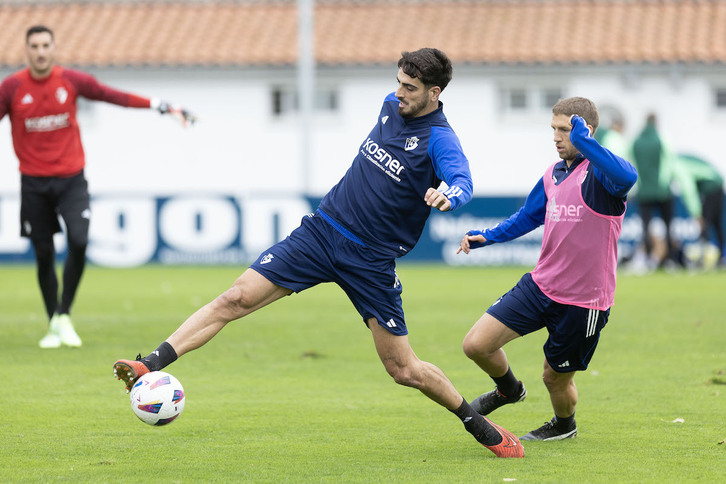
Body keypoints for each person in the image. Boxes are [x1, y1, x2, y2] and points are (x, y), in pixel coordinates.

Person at [113, 48, 524, 458]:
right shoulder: (389, 106)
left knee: (403, 369)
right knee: (236, 297)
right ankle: (150, 363)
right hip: (321, 232)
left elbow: (462, 179)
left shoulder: (440, 138)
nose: (398, 92)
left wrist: (448, 195)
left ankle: (478, 424)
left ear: (434, 93)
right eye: (398, 82)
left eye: (410, 88)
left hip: (370, 260)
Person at [0, 25, 196, 349]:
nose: (40, 51)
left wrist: (160, 105)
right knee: (44, 254)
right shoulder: (12, 88)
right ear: (27, 50)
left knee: (79, 240)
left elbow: (112, 96)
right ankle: (54, 323)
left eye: (45, 45)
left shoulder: (72, 81)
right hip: (33, 183)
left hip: (71, 180)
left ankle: (63, 315)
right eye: (34, 46)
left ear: (53, 48)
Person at [457, 97, 637, 441]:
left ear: (587, 132)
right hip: (539, 286)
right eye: (553, 129)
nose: (556, 137)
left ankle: (564, 426)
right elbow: (527, 216)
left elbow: (629, 174)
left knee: (554, 378)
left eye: (565, 130)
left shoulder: (604, 178)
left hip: (583, 302)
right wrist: (488, 237)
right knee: (476, 345)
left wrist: (585, 143)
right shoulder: (553, 174)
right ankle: (508, 390)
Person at [631, 113, 683, 269]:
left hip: (643, 192)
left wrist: (638, 187)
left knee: (645, 228)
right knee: (668, 227)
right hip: (663, 191)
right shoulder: (662, 139)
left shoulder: (635, 142)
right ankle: (670, 260)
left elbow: (631, 165)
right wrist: (663, 185)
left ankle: (647, 259)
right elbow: (669, 163)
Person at [671, 153, 724, 267]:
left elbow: (688, 190)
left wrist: (696, 214)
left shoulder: (676, 165)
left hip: (712, 186)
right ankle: (720, 257)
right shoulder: (679, 159)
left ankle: (705, 257)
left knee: (705, 223)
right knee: (716, 223)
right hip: (716, 184)